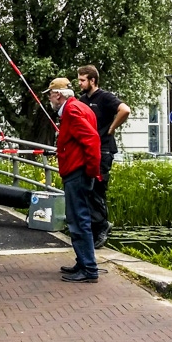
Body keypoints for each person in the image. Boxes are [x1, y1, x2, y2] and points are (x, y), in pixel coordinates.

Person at [44, 77, 101, 283]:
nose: (49, 98)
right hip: (80, 171)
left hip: (77, 172)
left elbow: (91, 139)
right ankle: (83, 261)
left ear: (58, 94)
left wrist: (91, 171)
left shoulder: (72, 111)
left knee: (78, 220)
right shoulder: (81, 107)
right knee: (79, 218)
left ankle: (88, 268)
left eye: (50, 94)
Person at [78, 65, 131, 248]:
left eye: (82, 80)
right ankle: (94, 230)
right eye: (78, 80)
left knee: (98, 189)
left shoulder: (105, 97)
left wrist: (111, 128)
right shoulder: (82, 100)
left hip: (103, 149)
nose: (80, 83)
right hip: (88, 149)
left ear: (93, 80)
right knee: (88, 190)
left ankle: (102, 227)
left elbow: (125, 110)